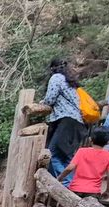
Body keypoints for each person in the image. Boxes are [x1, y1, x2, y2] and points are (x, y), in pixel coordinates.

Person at [57, 127, 109, 207]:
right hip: (93, 191)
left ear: (91, 139)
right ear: (108, 141)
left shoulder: (82, 151)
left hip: (75, 188)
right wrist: (108, 191)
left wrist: (60, 178)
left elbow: (70, 167)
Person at [41, 58, 86, 186]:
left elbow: (50, 99)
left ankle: (66, 184)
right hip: (78, 122)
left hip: (66, 121)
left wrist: (43, 103)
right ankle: (71, 184)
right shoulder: (70, 81)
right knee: (66, 156)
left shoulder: (56, 78)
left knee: (51, 154)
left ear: (52, 68)